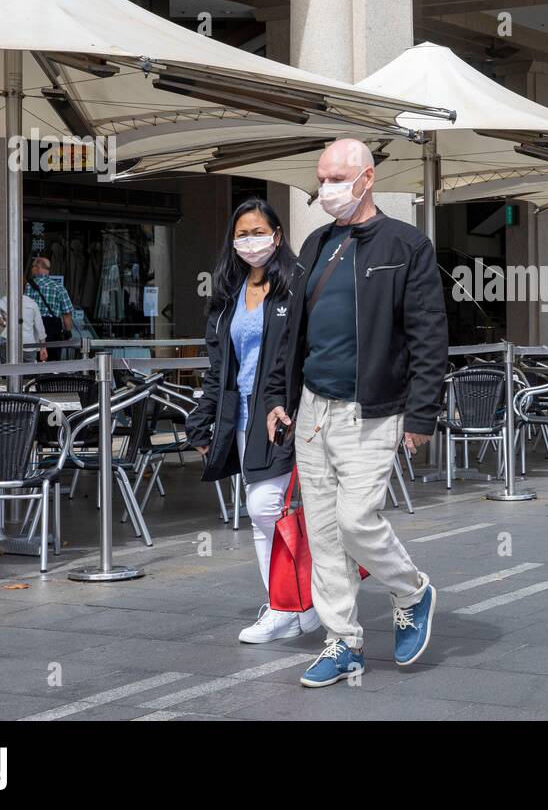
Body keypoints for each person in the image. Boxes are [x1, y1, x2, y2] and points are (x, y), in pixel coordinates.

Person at [266, 138, 447, 689]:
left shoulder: (406, 244)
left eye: (336, 179)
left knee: (355, 520)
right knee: (323, 534)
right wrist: (280, 395)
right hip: (314, 408)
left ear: (367, 179)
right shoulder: (318, 241)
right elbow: (293, 332)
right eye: (320, 179)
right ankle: (343, 641)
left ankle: (412, 589)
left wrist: (420, 416)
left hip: (372, 410)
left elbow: (428, 334)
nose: (326, 190)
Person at [186, 198, 320, 644]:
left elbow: (308, 351)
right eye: (242, 234)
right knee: (266, 514)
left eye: (259, 231)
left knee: (266, 508)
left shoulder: (296, 285)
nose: (250, 241)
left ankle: (292, 602)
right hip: (240, 417)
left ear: (278, 236)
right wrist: (204, 420)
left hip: (281, 413)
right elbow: (217, 365)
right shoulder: (228, 295)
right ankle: (292, 602)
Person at [26, 256, 74, 346]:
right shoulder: (58, 287)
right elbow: (67, 313)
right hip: (53, 327)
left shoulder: (29, 286)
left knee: (35, 355)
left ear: (38, 268)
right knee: (53, 356)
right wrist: (68, 331)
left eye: (33, 266)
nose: (32, 269)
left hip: (34, 326)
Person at [0, 291, 47, 362]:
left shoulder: (6, 299)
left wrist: (4, 323)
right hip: (28, 344)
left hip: (7, 340)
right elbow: (40, 327)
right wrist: (43, 348)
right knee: (29, 370)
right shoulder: (32, 303)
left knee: (6, 370)